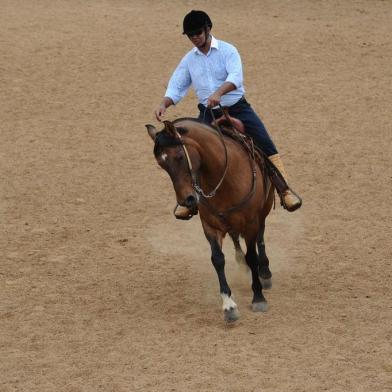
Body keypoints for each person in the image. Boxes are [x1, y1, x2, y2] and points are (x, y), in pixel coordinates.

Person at [154, 10, 302, 219]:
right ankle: (190, 200)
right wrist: (164, 103)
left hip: (238, 108)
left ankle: (284, 189)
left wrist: (219, 93)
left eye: (197, 32)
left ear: (207, 29)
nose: (195, 38)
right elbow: (177, 85)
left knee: (265, 143)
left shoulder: (228, 51)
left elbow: (236, 77)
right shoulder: (189, 60)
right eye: (190, 35)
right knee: (188, 152)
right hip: (207, 112)